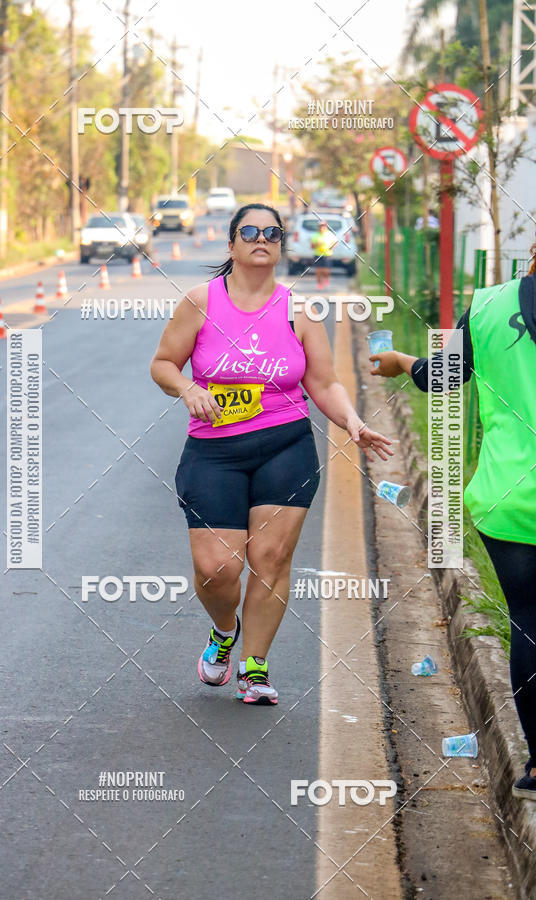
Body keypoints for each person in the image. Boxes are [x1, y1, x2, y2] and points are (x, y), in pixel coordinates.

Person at [150, 203, 394, 705]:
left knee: (271, 557)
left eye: (272, 233)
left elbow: (324, 383)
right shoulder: (200, 302)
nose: (262, 239)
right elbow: (162, 364)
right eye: (250, 231)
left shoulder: (300, 313)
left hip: (286, 446)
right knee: (218, 568)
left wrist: (351, 421)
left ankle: (255, 667)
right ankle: (223, 632)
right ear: (232, 243)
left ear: (281, 245)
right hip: (213, 453)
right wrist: (187, 389)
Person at [369, 244, 536, 799]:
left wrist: (400, 363)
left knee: (529, 623)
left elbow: (438, 378)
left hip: (508, 502)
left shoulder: (491, 306)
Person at [310, 220, 335, 289]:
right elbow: (312, 246)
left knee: (326, 271)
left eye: (323, 226)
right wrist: (316, 244)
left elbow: (335, 242)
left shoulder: (330, 234)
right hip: (318, 255)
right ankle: (319, 284)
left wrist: (331, 247)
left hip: (327, 255)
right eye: (320, 226)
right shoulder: (315, 235)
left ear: (326, 227)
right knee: (318, 271)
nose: (322, 228)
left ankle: (326, 278)